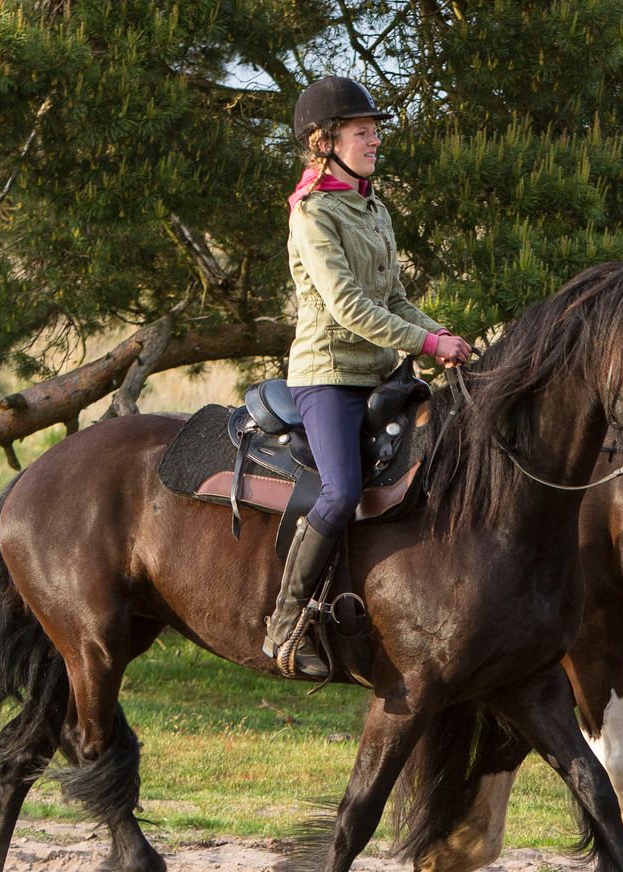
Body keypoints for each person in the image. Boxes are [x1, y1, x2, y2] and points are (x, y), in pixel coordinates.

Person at [265, 76, 472, 678]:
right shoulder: (312, 214)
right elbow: (347, 306)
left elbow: (398, 300)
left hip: (383, 372)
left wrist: (443, 338)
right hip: (328, 377)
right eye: (363, 132)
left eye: (375, 131)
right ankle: (285, 623)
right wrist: (427, 341)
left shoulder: (374, 207)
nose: (375, 140)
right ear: (324, 141)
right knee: (341, 493)